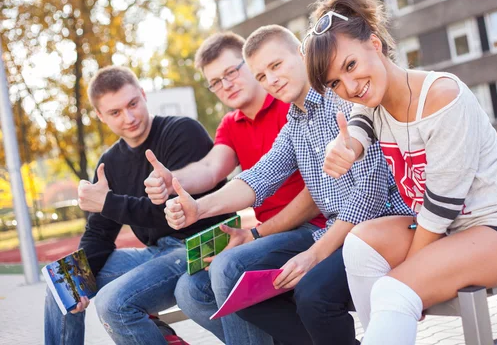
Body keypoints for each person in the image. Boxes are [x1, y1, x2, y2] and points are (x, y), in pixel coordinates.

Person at [305, 0, 497, 344]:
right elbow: (359, 127)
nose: (350, 86)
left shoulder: (441, 97)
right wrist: (346, 148)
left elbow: (440, 208)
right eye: (335, 83)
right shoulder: (371, 102)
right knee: (358, 244)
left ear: (375, 44)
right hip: (452, 232)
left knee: (392, 290)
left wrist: (408, 280)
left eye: (351, 66)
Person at [164, 25, 414, 345]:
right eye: (262, 76)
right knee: (242, 287)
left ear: (301, 54)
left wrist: (313, 254)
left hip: (383, 225)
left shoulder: (340, 101)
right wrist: (198, 208)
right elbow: (260, 176)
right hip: (340, 232)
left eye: (276, 66)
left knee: (313, 295)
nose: (272, 80)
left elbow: (370, 193)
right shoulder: (294, 122)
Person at [143, 32, 327, 344]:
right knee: (190, 290)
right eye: (216, 81)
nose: (225, 84)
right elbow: (215, 170)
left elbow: (319, 194)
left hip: (314, 227)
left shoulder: (290, 104)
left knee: (228, 267)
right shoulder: (232, 123)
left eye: (231, 72)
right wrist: (174, 183)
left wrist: (256, 234)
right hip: (274, 233)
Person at [44, 66, 230, 345]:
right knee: (64, 279)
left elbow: (172, 213)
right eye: (115, 113)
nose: (129, 118)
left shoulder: (182, 131)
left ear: (143, 95)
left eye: (132, 104)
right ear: (100, 115)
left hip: (201, 244)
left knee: (113, 304)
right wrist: (79, 285)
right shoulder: (111, 161)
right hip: (158, 253)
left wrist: (107, 202)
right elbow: (99, 234)